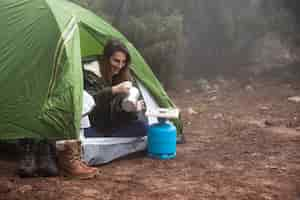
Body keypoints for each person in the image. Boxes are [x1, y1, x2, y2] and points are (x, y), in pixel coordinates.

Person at [85, 39, 148, 137]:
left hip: (115, 120)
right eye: (116, 61)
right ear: (106, 58)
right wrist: (114, 90)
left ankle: (106, 136)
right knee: (86, 132)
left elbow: (137, 101)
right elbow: (90, 103)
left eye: (123, 62)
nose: (120, 66)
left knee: (143, 126)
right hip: (96, 121)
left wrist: (135, 108)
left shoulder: (124, 73)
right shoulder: (90, 73)